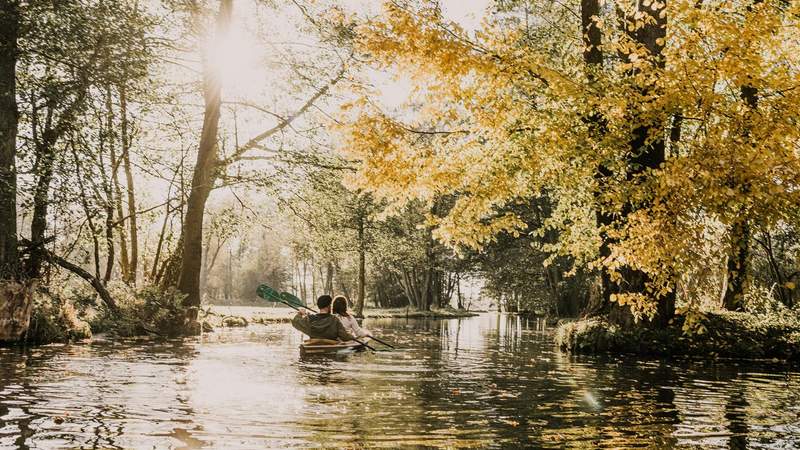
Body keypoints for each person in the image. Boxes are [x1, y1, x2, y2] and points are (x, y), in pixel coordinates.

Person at [291, 294, 356, 342]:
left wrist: (299, 314)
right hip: (331, 346)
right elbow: (344, 336)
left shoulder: (309, 319)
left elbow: (295, 322)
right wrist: (353, 337)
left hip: (314, 345)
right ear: (329, 306)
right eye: (330, 305)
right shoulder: (335, 320)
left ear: (319, 306)